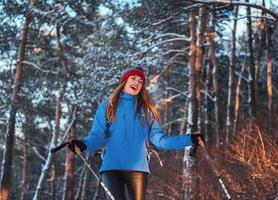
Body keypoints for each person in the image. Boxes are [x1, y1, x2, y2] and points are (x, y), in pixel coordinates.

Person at [68, 66, 205, 200]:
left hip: (138, 170)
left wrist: (190, 139)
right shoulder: (108, 106)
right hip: (111, 168)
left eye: (140, 81)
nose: (137, 82)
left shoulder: (146, 110)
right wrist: (83, 144)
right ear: (124, 82)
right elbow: (97, 136)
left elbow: (161, 141)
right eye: (133, 78)